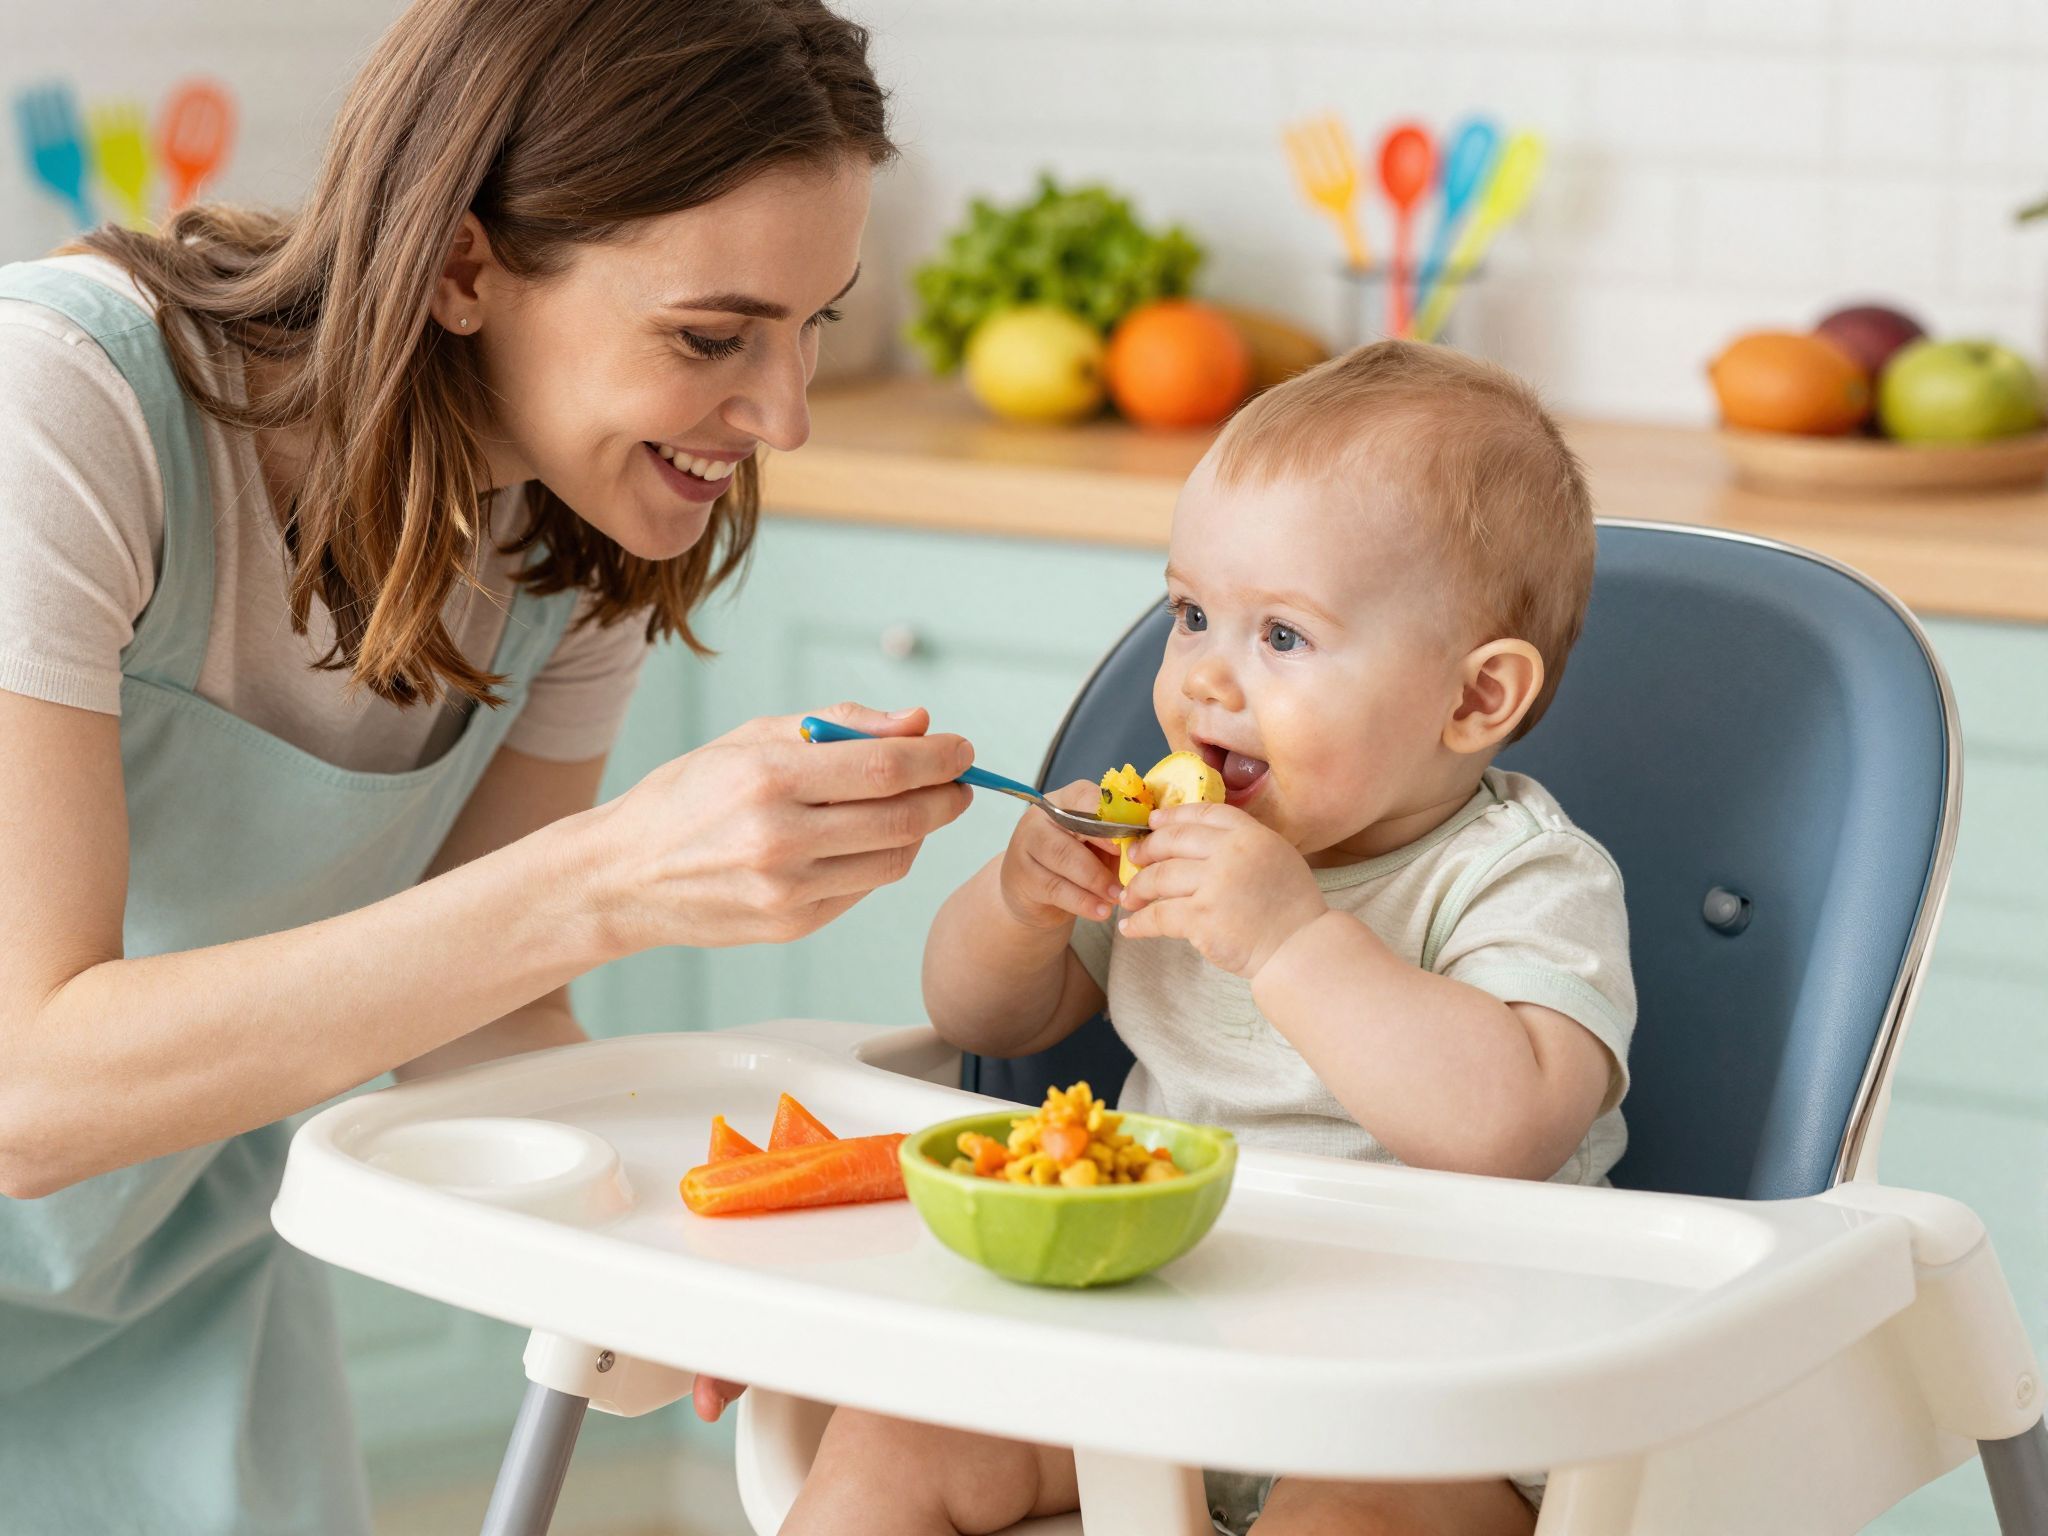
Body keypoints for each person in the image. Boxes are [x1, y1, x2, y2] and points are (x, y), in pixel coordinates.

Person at [0, 2, 971, 1530]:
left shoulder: (563, 528)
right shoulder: (63, 411)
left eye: (815, 325)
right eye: (714, 336)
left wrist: (682, 1249)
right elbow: (24, 1090)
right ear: (465, 266)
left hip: (173, 1281)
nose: (782, 414)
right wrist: (614, 880)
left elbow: (485, 1011)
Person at [786, 341, 1638, 1536]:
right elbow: (985, 1026)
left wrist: (1288, 940)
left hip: (1427, 1406)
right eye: (1190, 614)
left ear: (1472, 699)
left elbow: (1499, 1130)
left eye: (1280, 637)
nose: (1202, 683)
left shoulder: (1521, 878)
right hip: (1153, 1347)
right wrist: (1018, 904)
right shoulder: (1176, 844)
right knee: (888, 1439)